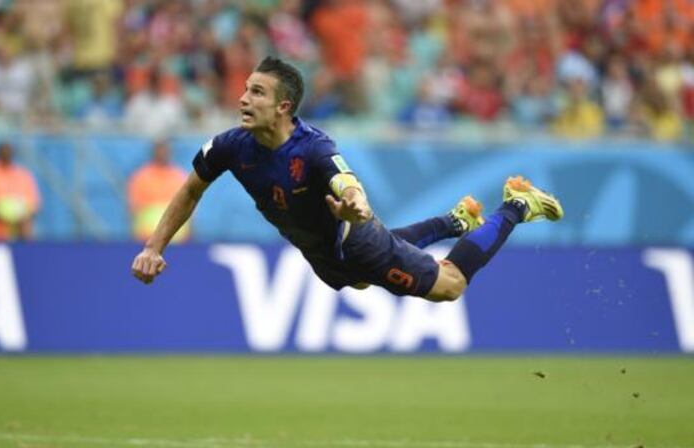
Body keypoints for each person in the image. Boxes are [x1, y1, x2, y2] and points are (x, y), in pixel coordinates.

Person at [131, 57, 564, 302]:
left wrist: (355, 204)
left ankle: (516, 204)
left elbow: (347, 183)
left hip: (355, 242)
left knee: (449, 286)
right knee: (356, 280)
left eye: (257, 92)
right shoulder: (228, 145)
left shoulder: (314, 147)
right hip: (323, 257)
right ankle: (452, 222)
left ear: (284, 107)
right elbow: (190, 188)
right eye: (245, 89)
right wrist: (154, 246)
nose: (243, 98)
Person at [0, 142, 41, 240]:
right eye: (4, 152)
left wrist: (22, 219)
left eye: (9, 152)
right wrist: (10, 218)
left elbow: (33, 205)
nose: (7, 155)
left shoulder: (23, 175)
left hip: (17, 236)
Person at [127, 140, 191, 242]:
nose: (163, 153)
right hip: (147, 237)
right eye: (160, 150)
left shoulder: (179, 176)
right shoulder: (141, 177)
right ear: (154, 152)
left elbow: (189, 207)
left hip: (176, 239)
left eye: (165, 150)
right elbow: (132, 209)